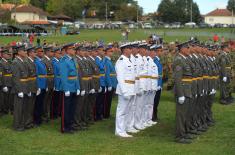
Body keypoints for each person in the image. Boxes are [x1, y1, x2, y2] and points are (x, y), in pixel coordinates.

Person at [172, 43, 193, 144]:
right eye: (187, 48)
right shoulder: (179, 60)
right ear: (182, 49)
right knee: (181, 114)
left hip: (187, 90)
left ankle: (183, 133)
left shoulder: (184, 59)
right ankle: (179, 136)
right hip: (183, 90)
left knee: (185, 113)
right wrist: (180, 94)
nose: (189, 50)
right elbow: (177, 79)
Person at [115, 43, 136, 138]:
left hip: (131, 88)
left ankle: (125, 128)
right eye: (129, 48)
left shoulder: (129, 60)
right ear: (124, 50)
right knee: (122, 111)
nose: (131, 50)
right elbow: (120, 78)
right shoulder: (121, 61)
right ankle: (119, 130)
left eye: (131, 48)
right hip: (125, 89)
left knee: (128, 110)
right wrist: (125, 92)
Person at [60, 43, 80, 133]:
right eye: (72, 49)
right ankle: (65, 127)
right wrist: (66, 89)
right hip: (68, 87)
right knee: (66, 108)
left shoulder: (74, 60)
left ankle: (71, 125)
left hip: (74, 86)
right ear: (67, 50)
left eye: (74, 49)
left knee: (72, 107)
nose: (74, 50)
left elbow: (76, 75)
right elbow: (63, 76)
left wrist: (78, 87)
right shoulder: (64, 61)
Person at [11, 45, 29, 131]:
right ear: (19, 52)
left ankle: (22, 124)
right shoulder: (15, 62)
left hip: (25, 87)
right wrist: (19, 91)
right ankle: (17, 125)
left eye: (25, 51)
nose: (25, 52)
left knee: (23, 107)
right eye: (24, 51)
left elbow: (26, 77)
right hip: (20, 88)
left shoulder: (23, 61)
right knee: (18, 108)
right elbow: (15, 78)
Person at [24, 47, 37, 129]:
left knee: (32, 105)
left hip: (34, 86)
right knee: (28, 106)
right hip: (29, 87)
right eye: (34, 52)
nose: (35, 53)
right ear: (29, 53)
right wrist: (27, 89)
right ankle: (27, 123)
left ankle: (30, 121)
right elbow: (26, 77)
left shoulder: (33, 61)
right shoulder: (26, 62)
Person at [34, 46, 47, 126]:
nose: (42, 52)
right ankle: (36, 120)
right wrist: (38, 86)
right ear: (36, 52)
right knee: (37, 103)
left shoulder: (41, 61)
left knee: (41, 102)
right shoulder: (36, 61)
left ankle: (39, 118)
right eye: (40, 51)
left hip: (43, 84)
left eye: (42, 51)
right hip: (39, 85)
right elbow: (37, 75)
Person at [103, 45, 117, 119]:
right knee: (107, 100)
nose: (112, 53)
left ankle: (107, 113)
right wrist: (109, 84)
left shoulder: (109, 60)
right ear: (106, 52)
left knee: (109, 99)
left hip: (112, 82)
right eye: (110, 51)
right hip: (109, 83)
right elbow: (107, 74)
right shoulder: (106, 61)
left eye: (112, 51)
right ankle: (105, 114)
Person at [42, 46, 54, 123]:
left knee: (49, 100)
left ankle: (47, 115)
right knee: (45, 100)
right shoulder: (44, 60)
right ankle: (44, 116)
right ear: (47, 52)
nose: (52, 53)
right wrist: (46, 85)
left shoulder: (50, 60)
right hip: (47, 82)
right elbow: (44, 74)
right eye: (51, 52)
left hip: (51, 82)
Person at [0, 47, 13, 115]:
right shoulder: (1, 63)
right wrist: (4, 85)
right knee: (3, 98)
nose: (8, 55)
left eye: (9, 54)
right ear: (2, 55)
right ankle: (3, 110)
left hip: (10, 82)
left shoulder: (9, 62)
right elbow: (1, 75)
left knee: (9, 98)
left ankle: (8, 109)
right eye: (7, 54)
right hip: (5, 82)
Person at [95, 45, 106, 121]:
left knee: (101, 99)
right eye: (102, 50)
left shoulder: (101, 59)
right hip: (98, 81)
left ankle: (100, 114)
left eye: (103, 50)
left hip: (102, 81)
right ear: (98, 51)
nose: (103, 52)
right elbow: (102, 67)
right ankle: (97, 115)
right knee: (98, 100)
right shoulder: (97, 60)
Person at [152, 45, 163, 122]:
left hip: (159, 84)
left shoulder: (158, 60)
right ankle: (153, 116)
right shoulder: (154, 61)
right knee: (154, 101)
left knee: (156, 101)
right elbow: (156, 75)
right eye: (159, 51)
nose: (161, 52)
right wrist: (158, 84)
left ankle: (155, 115)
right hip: (156, 84)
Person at [51, 47, 62, 119]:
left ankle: (58, 112)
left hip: (61, 81)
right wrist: (55, 84)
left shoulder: (59, 61)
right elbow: (54, 74)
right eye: (59, 53)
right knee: (55, 100)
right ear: (54, 54)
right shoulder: (54, 62)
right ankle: (54, 114)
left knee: (59, 99)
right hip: (57, 82)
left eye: (60, 53)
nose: (60, 55)